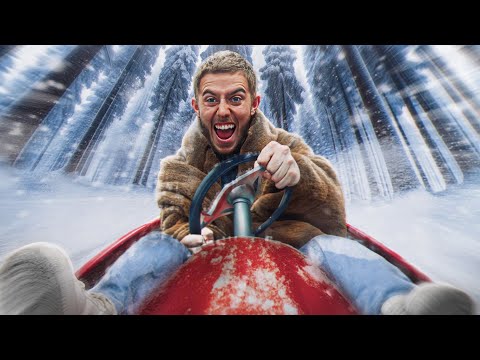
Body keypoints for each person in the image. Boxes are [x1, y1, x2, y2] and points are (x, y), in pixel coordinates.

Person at [0, 51, 474, 315]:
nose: (223, 110)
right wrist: (188, 236)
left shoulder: (287, 145)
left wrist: (299, 175)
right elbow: (170, 220)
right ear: (198, 107)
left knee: (338, 250)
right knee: (155, 250)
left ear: (253, 103)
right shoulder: (177, 169)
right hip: (202, 258)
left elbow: (334, 213)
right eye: (212, 99)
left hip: (295, 253)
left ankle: (398, 306)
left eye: (235, 98)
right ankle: (97, 308)